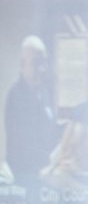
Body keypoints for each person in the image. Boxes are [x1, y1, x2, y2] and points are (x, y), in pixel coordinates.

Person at [3, 35, 60, 185]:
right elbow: (20, 147)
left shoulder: (45, 94)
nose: (42, 69)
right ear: (22, 65)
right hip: (25, 180)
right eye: (36, 63)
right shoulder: (15, 97)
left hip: (47, 178)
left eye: (44, 62)